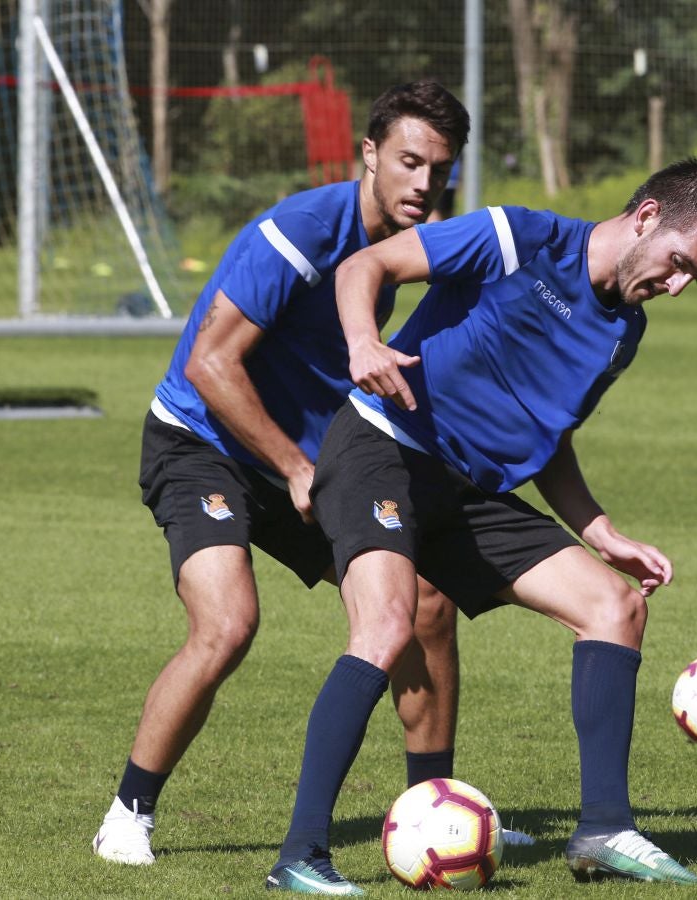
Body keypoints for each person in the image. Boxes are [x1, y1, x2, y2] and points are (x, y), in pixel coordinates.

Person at [265, 157, 697, 894]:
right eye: (680, 263)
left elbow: (550, 438)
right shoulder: (520, 238)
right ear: (648, 217)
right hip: (381, 449)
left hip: (465, 490)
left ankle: (604, 830)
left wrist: (600, 530)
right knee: (388, 625)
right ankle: (300, 854)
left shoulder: (622, 331)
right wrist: (364, 342)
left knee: (616, 606)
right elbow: (367, 264)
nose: (677, 286)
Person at [90, 82, 493, 867]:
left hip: (303, 457)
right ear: (369, 153)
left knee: (424, 602)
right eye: (409, 161)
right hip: (200, 443)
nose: (423, 183)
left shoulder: (412, 248)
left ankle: (435, 808)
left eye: (439, 170)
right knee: (228, 623)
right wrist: (297, 467)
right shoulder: (304, 229)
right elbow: (210, 364)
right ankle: (129, 811)